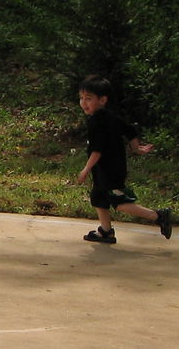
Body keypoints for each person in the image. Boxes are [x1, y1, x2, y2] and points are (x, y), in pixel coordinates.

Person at [74, 74, 173, 245]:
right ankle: (106, 231)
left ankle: (158, 215)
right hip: (106, 168)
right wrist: (136, 148)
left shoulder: (97, 121)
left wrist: (86, 169)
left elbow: (98, 150)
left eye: (88, 98)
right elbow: (129, 130)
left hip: (110, 169)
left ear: (102, 100)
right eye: (81, 98)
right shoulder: (109, 116)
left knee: (118, 202)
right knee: (99, 197)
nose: (84, 102)